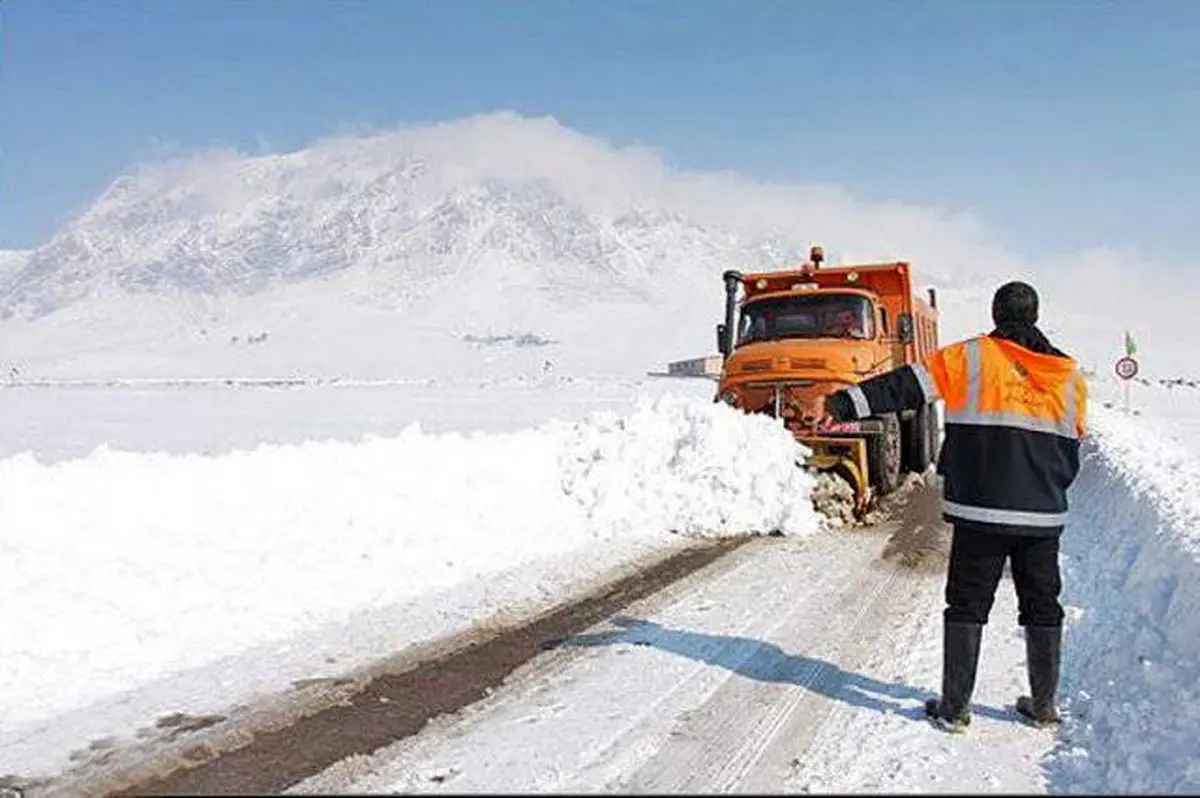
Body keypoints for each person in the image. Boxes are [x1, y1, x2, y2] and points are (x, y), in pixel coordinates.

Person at [823, 281, 1087, 733]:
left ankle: (955, 709)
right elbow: (1074, 440)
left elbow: (904, 387)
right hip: (1043, 514)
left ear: (995, 314)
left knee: (967, 604)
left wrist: (844, 402)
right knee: (1044, 606)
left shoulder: (971, 358)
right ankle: (1044, 707)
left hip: (982, 510)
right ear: (1036, 316)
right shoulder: (1069, 375)